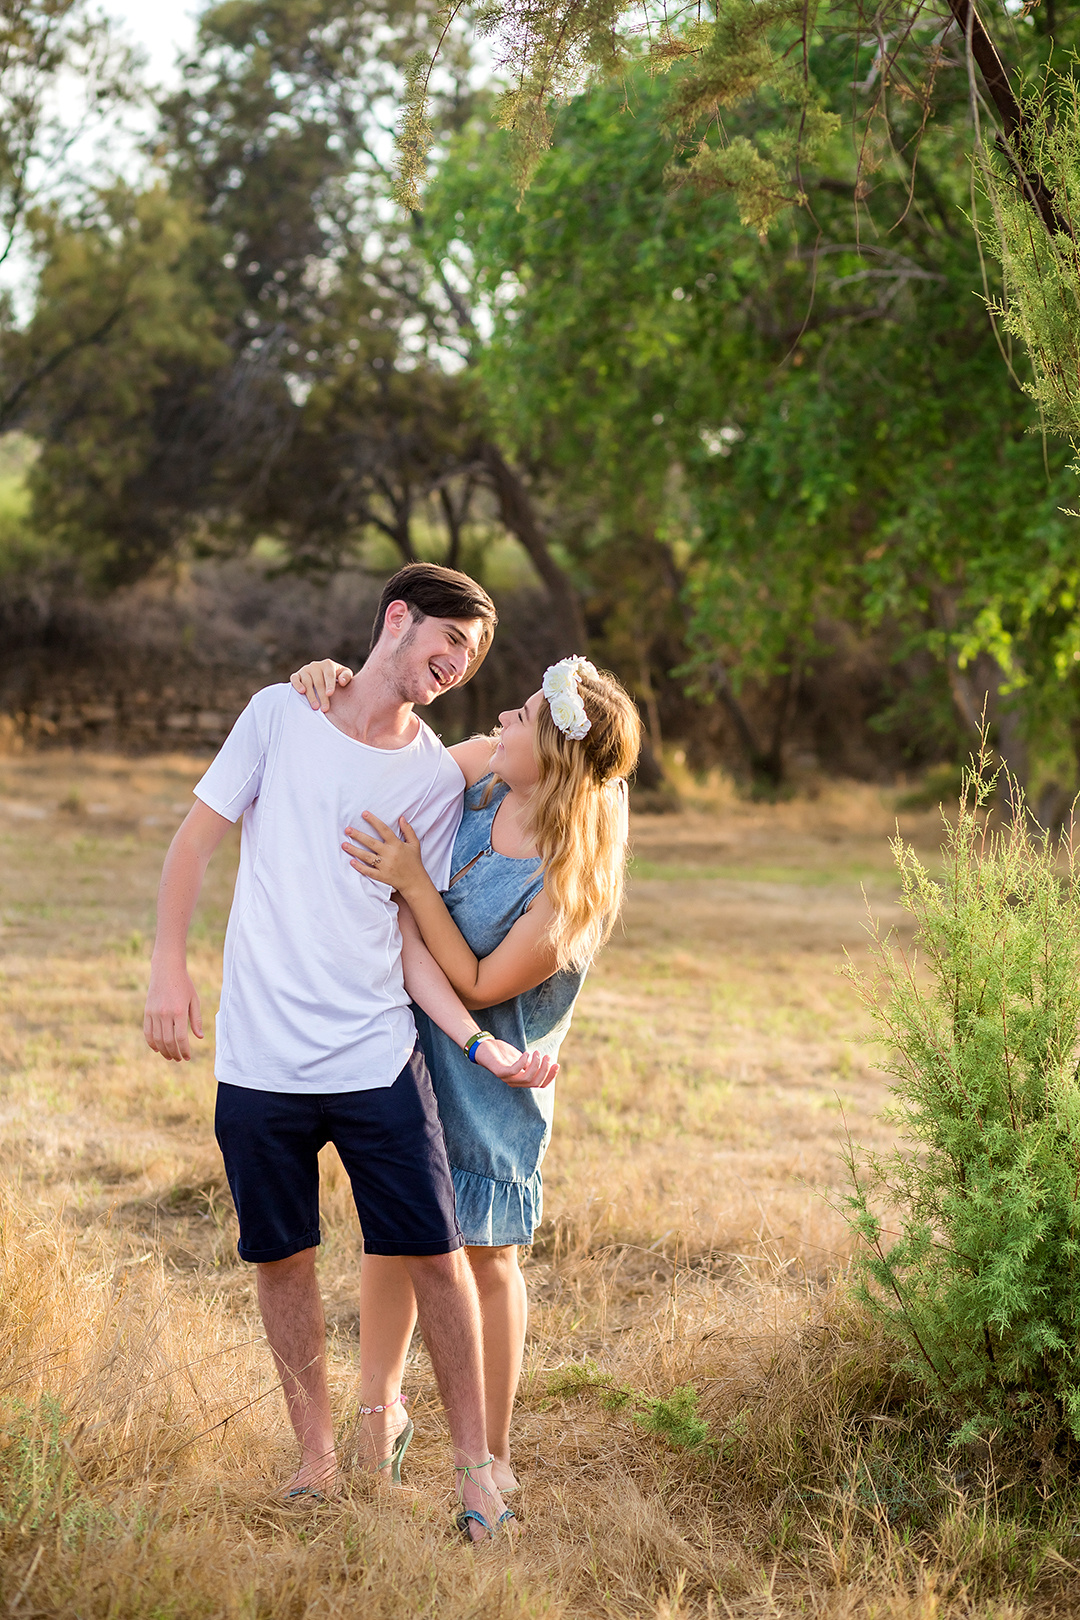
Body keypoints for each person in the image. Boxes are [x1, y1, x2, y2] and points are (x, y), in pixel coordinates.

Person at [143, 562, 556, 1541]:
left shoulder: (429, 778)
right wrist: (168, 968)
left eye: (477, 656)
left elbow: (414, 930)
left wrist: (474, 1042)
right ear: (399, 618)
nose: (461, 664)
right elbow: (194, 844)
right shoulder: (278, 717)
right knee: (281, 1260)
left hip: (375, 1058)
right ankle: (316, 1462)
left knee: (434, 1255)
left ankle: (474, 1476)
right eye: (451, 640)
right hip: (257, 1062)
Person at [290, 649, 642, 1494]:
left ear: (552, 758)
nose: (499, 721)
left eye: (521, 717)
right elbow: (395, 764)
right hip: (408, 1047)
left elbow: (480, 984)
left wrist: (413, 883)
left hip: (492, 1082)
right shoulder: (487, 774)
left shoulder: (566, 889)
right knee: (396, 1237)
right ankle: (379, 1415)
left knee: (485, 1257)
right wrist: (342, 685)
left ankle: (495, 1456)